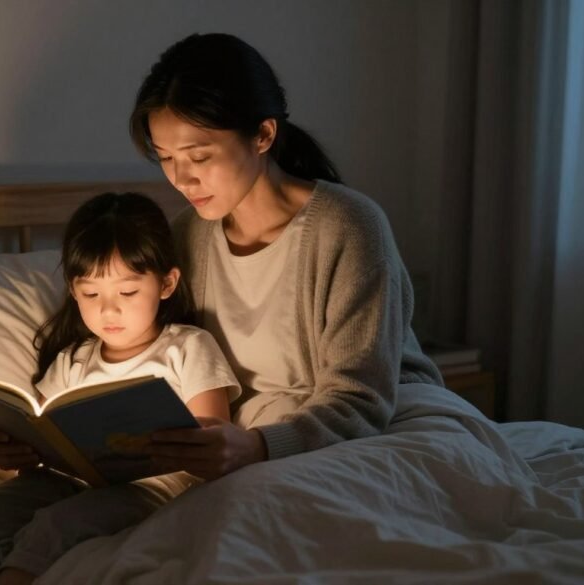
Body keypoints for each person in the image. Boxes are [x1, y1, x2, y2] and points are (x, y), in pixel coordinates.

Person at [126, 32, 443, 479]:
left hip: (373, 428)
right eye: (166, 158)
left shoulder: (350, 225)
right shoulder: (185, 238)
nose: (182, 179)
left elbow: (361, 398)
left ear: (263, 135)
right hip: (250, 443)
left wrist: (259, 446)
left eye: (199, 156)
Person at [0, 192, 241, 585]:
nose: (109, 310)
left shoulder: (187, 346)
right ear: (74, 291)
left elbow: (213, 435)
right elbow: (41, 427)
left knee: (59, 525)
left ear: (166, 284)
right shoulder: (73, 360)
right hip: (65, 481)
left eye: (127, 292)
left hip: (154, 485)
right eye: (91, 294)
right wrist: (14, 447)